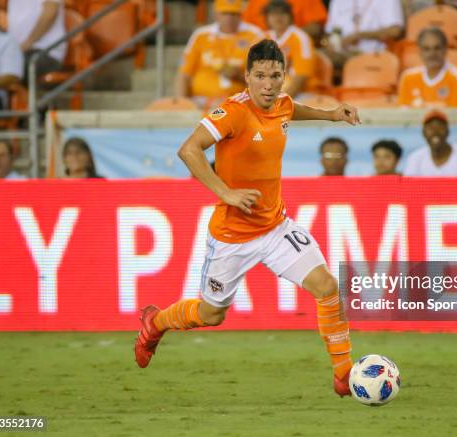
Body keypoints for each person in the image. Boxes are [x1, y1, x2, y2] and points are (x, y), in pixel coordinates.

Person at [135, 39, 361, 397]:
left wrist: (332, 114)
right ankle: (156, 322)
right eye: (260, 76)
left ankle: (344, 374)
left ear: (284, 75)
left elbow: (292, 109)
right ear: (247, 77)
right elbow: (188, 150)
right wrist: (224, 192)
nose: (269, 84)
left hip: (276, 227)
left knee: (327, 288)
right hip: (232, 235)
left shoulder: (282, 103)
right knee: (211, 315)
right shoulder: (233, 111)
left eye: (276, 75)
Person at [174, 0, 263, 107]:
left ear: (241, 15)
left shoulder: (255, 34)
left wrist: (238, 75)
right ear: (216, 14)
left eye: (234, 14)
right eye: (225, 13)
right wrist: (181, 104)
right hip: (201, 101)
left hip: (241, 100)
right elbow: (184, 74)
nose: (229, 18)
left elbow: (264, 79)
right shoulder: (201, 35)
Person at [323, 0, 404, 71]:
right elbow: (330, 31)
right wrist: (332, 44)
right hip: (341, 56)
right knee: (320, 59)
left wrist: (359, 36)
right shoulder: (337, 1)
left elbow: (395, 31)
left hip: (374, 57)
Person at [398, 27, 457, 108]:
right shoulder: (408, 77)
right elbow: (404, 113)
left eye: (437, 48)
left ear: (445, 50)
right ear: (419, 51)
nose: (432, 54)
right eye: (426, 49)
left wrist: (423, 106)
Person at [264, 0, 316, 97]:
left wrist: (280, 103)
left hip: (302, 94)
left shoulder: (301, 38)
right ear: (267, 18)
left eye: (282, 13)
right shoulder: (263, 38)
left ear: (290, 17)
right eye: (273, 14)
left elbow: (302, 78)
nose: (278, 18)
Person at [404, 110, 457, 176]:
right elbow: (408, 190)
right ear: (423, 133)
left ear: (448, 131)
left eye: (440, 127)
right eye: (430, 128)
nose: (435, 132)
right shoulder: (414, 158)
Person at [7, 0, 67, 79]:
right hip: (18, 53)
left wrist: (27, 43)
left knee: (7, 69)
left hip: (45, 52)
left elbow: (50, 13)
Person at [242, 0, 327, 43]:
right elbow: (244, 27)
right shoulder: (255, 2)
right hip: (259, 48)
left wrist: (285, 38)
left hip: (294, 49)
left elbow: (316, 27)